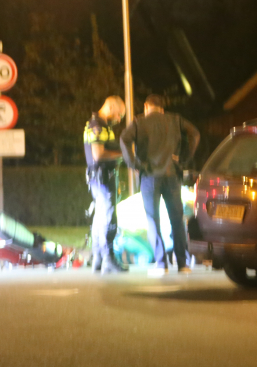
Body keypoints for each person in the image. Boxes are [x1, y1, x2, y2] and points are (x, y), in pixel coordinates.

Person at [120, 94, 200, 275]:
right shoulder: (175, 120)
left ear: (146, 107)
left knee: (153, 219)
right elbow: (195, 134)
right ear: (162, 109)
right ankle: (183, 264)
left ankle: (161, 263)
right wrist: (184, 158)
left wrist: (135, 165)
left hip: (150, 176)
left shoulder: (140, 122)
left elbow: (124, 139)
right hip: (172, 174)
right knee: (177, 220)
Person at [84, 95, 128, 274]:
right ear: (111, 108)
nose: (118, 120)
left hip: (99, 177)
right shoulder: (98, 126)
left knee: (99, 216)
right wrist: (124, 154)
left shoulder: (96, 124)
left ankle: (98, 258)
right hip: (102, 178)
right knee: (109, 218)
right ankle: (108, 258)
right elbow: (98, 155)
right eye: (119, 115)